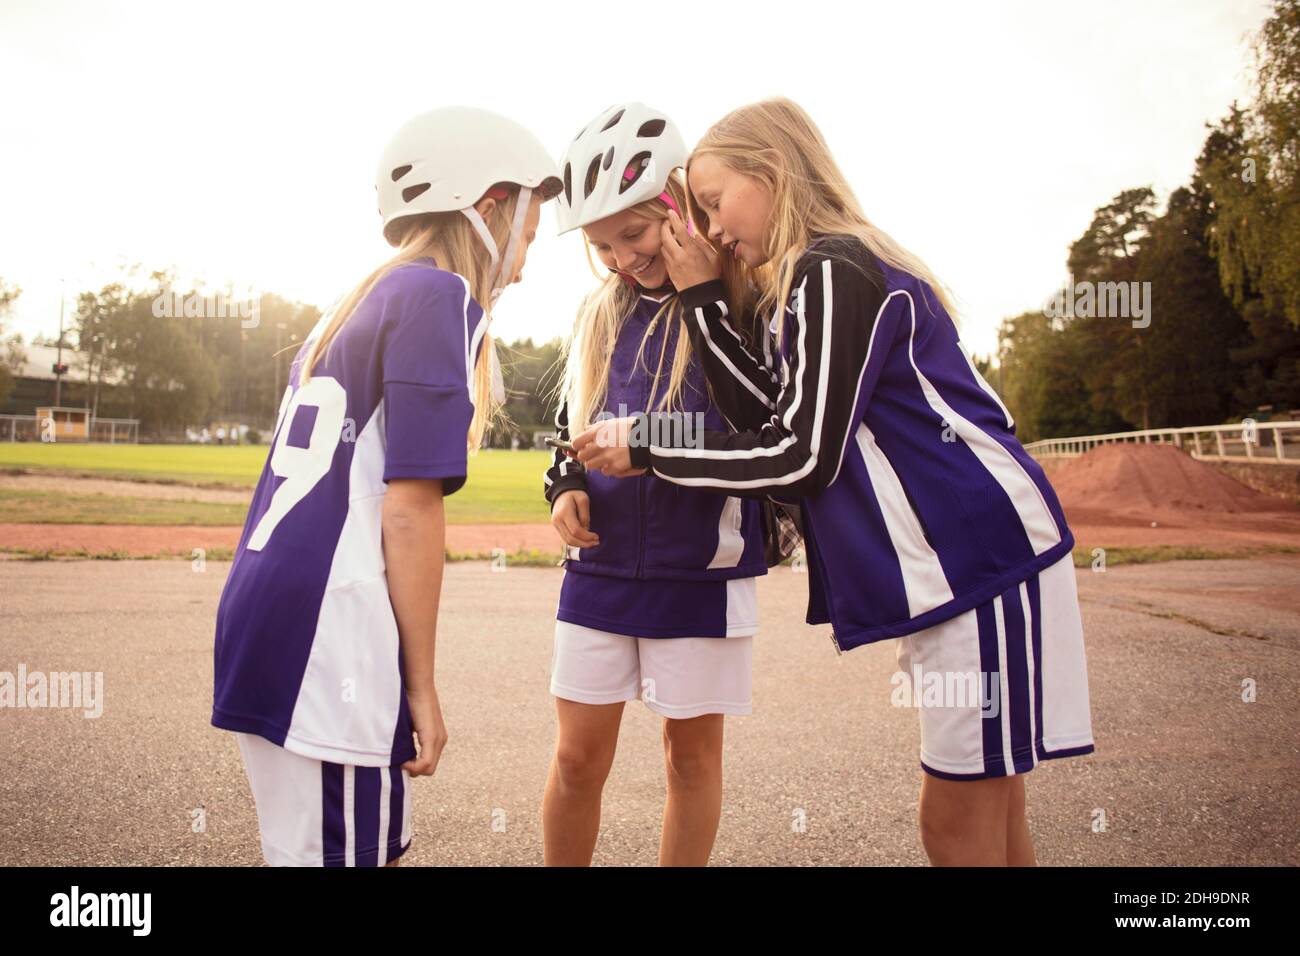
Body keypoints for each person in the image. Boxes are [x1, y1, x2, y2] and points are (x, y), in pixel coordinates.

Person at [571, 97, 1094, 866]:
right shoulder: (813, 277)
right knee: (993, 807)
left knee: (958, 822)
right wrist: (706, 302)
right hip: (958, 570)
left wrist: (651, 446)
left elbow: (796, 458)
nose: (713, 228)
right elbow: (768, 418)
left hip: (978, 557)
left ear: (774, 173)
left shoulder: (830, 269)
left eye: (715, 203)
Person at [212, 106, 561, 866]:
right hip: (328, 635)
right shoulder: (439, 298)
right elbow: (410, 507)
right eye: (528, 235)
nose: (526, 263)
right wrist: (422, 686)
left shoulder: (352, 306)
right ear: (491, 205)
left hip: (268, 613)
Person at [542, 103, 767, 866]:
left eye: (631, 236)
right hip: (600, 568)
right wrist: (565, 481)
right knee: (576, 761)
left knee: (690, 761)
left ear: (677, 203)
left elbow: (761, 430)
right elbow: (574, 426)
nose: (617, 258)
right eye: (600, 244)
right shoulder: (601, 312)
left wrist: (649, 442)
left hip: (699, 571)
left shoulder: (742, 296)